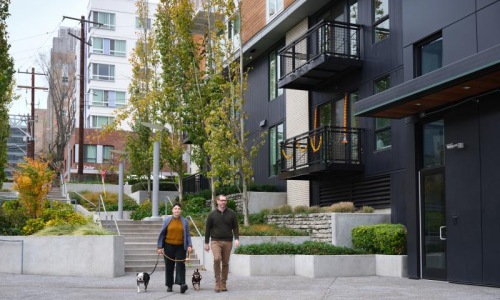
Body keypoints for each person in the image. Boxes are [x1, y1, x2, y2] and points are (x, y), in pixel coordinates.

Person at [204, 194, 240, 292]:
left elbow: (235, 227)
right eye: (221, 200)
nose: (223, 202)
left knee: (225, 263)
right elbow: (207, 229)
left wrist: (237, 238)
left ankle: (223, 283)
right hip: (215, 241)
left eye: (225, 200)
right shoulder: (212, 214)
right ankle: (217, 283)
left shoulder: (232, 214)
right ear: (217, 201)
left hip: (228, 241)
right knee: (217, 259)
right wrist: (206, 243)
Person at [157, 202, 192, 294]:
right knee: (169, 265)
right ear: (172, 210)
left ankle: (182, 284)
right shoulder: (167, 220)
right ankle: (169, 285)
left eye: (179, 209)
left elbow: (187, 235)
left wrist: (189, 245)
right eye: (175, 208)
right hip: (168, 245)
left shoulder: (184, 221)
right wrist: (160, 246)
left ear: (181, 211)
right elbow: (162, 233)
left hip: (181, 246)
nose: (177, 210)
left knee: (181, 265)